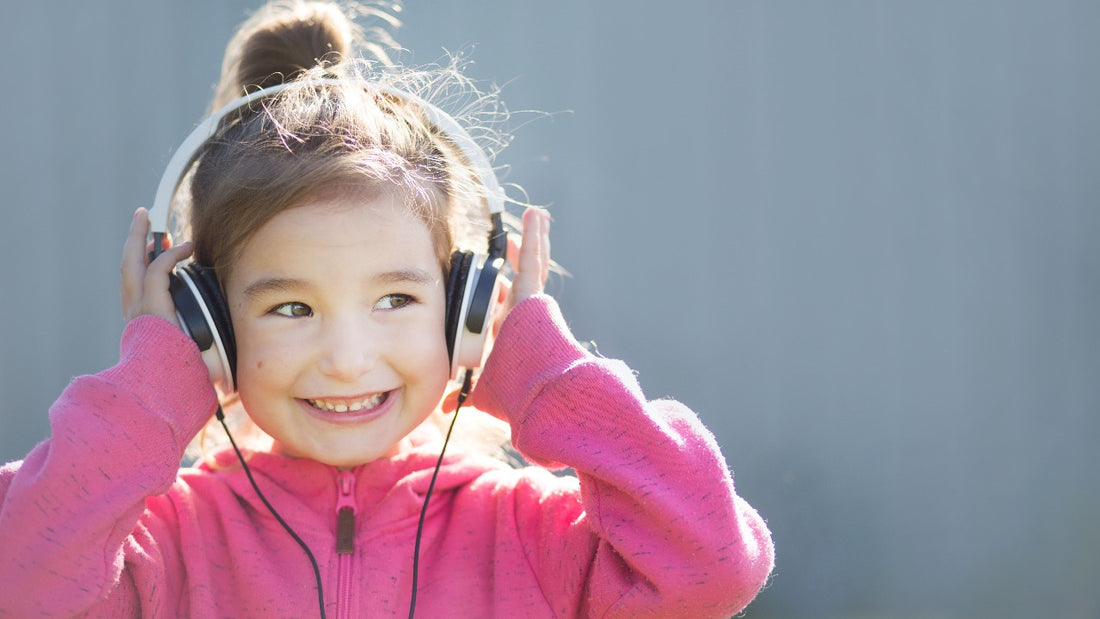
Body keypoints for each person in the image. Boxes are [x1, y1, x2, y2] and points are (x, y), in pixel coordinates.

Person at [0, 1, 774, 617]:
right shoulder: (161, 547)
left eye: (396, 298)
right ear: (210, 326)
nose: (346, 356)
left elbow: (712, 567)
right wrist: (149, 388)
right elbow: (23, 587)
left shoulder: (535, 536)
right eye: (292, 308)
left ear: (471, 314)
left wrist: (549, 379)